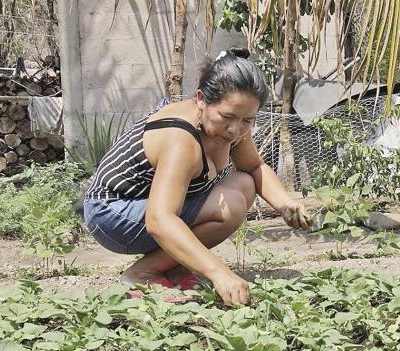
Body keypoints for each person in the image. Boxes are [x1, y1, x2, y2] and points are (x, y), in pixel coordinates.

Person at [83, 47, 311, 306]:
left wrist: (285, 204)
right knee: (231, 205)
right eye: (227, 117)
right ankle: (141, 274)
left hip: (150, 207)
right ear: (201, 99)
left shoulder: (232, 129)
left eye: (248, 120)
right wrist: (219, 273)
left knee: (244, 185)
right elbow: (159, 219)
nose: (235, 129)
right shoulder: (181, 138)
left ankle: (175, 266)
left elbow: (254, 167)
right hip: (112, 213)